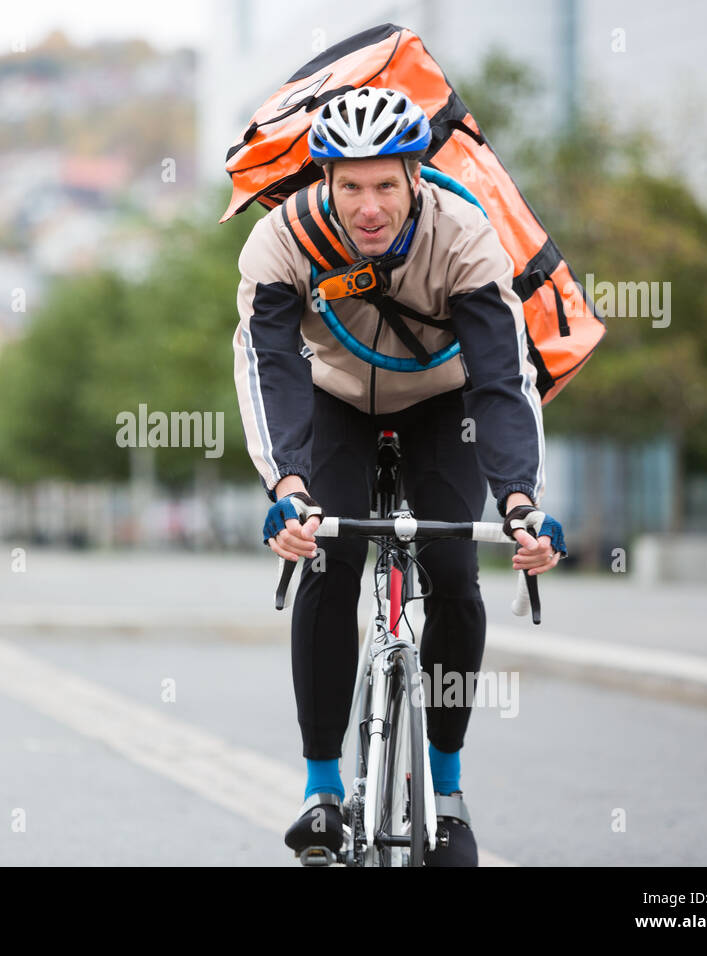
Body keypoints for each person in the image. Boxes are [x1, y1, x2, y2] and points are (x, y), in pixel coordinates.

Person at [233, 87, 568, 865]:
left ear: (416, 173)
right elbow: (269, 367)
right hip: (333, 398)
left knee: (454, 569)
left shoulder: (467, 237)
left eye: (386, 183)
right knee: (328, 555)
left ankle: (446, 794)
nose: (369, 205)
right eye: (350, 185)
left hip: (442, 401)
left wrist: (521, 501)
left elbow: (501, 380)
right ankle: (321, 791)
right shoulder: (281, 242)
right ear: (324, 180)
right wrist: (287, 486)